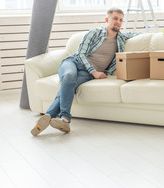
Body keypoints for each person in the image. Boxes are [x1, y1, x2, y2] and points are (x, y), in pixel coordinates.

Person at [31, 8, 141, 136]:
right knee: (69, 76)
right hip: (74, 63)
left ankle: (51, 116)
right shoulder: (94, 33)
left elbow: (139, 35)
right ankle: (65, 117)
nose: (118, 22)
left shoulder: (121, 38)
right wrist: (94, 72)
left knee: (69, 86)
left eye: (121, 20)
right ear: (107, 20)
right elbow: (81, 53)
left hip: (87, 74)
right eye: (115, 18)